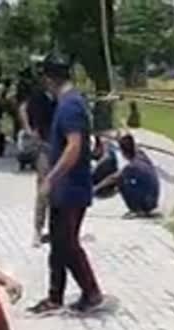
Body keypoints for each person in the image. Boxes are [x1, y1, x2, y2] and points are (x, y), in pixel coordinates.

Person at [28, 53, 103, 315]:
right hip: (68, 186)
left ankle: (91, 292)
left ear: (49, 79)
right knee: (59, 244)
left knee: (67, 244)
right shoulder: (71, 102)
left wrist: (51, 178)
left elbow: (74, 147)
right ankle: (54, 296)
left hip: (71, 187)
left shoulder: (70, 105)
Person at [19, 67, 57, 247]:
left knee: (59, 188)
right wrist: (29, 130)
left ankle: (56, 227)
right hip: (44, 145)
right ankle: (37, 228)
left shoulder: (61, 95)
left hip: (60, 145)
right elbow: (22, 108)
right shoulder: (38, 96)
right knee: (44, 187)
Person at [93, 134, 160, 218]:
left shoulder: (132, 167)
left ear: (123, 152)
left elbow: (113, 177)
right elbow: (134, 145)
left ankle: (137, 210)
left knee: (121, 181)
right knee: (128, 180)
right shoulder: (141, 156)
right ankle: (142, 208)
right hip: (153, 200)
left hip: (148, 201)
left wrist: (95, 189)